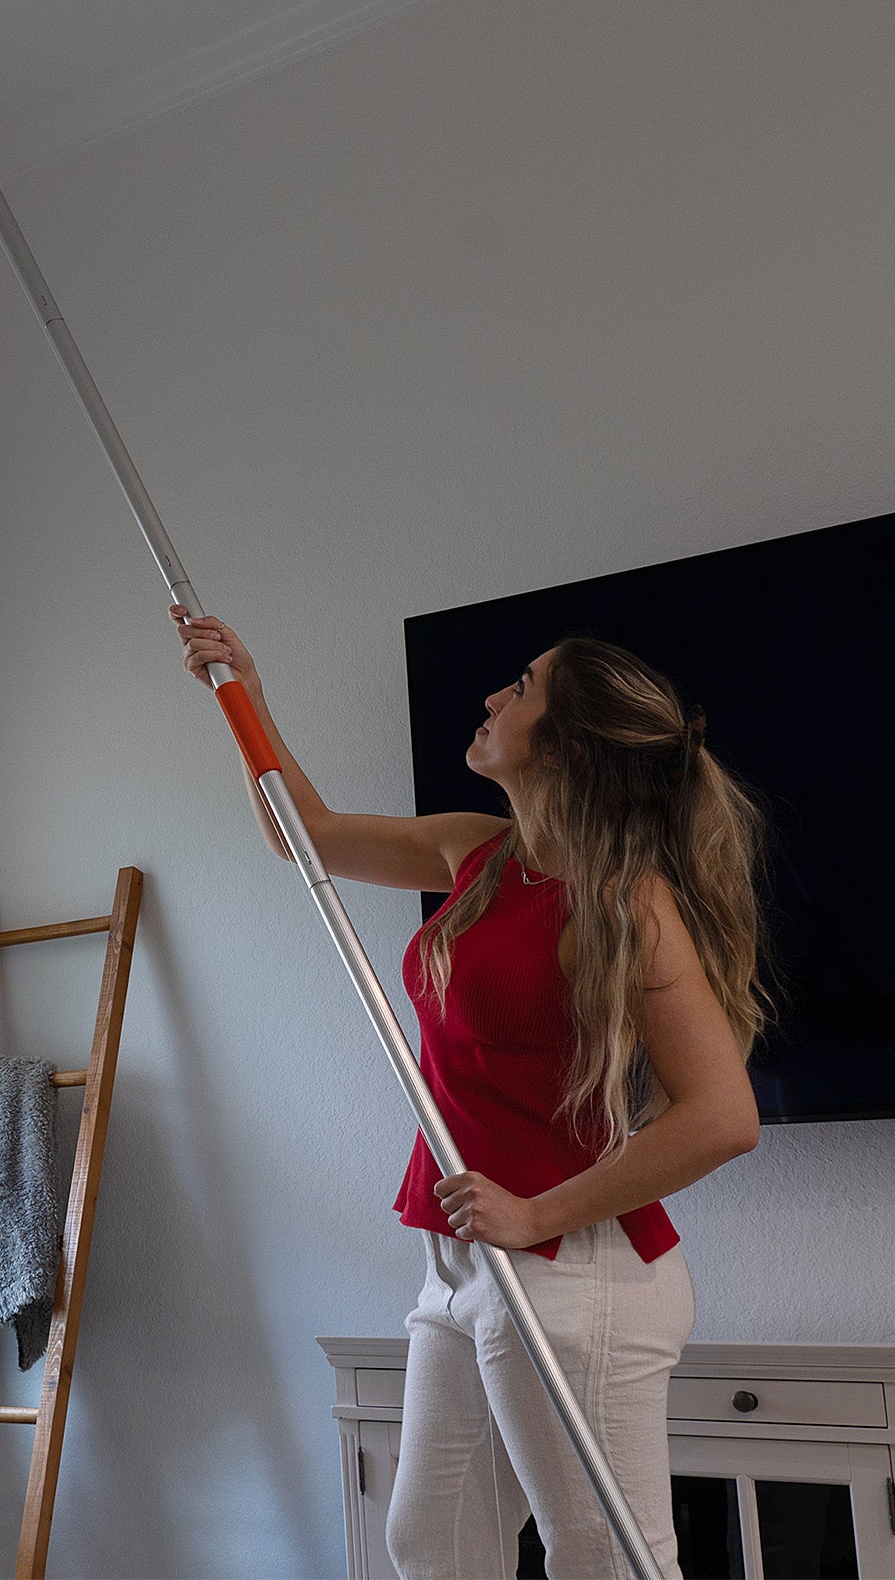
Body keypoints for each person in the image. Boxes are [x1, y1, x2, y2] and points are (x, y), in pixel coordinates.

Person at [172, 610, 768, 1580]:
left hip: (572, 1268)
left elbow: (721, 1113)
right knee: (433, 1543)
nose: (494, 696)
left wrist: (535, 1208)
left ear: (567, 743)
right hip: (457, 1266)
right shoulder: (479, 854)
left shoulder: (625, 902)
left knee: (603, 1555)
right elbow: (305, 836)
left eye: (521, 686)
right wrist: (239, 690)